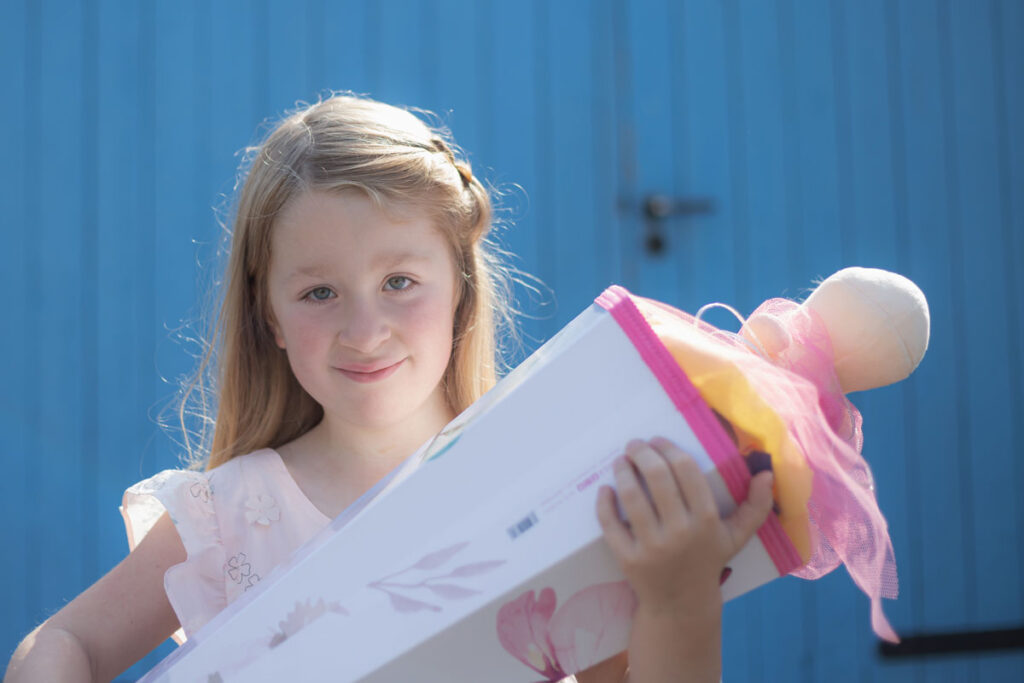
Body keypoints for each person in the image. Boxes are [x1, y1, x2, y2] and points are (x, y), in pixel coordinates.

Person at [5, 94, 774, 683]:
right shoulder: (231, 515)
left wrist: (678, 598)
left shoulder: (560, 482)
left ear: (462, 288)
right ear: (267, 314)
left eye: (399, 281)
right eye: (319, 293)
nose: (364, 328)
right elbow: (64, 640)